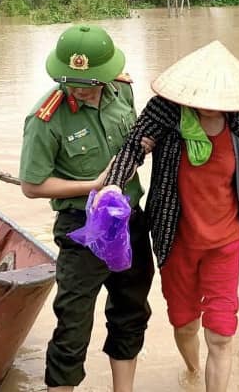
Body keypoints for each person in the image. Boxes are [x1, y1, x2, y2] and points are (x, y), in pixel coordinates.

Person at [98, 40, 239, 392]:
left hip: (225, 240)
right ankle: (192, 372)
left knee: (221, 334)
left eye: (218, 102)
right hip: (176, 238)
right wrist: (113, 187)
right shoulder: (165, 112)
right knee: (184, 323)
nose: (210, 107)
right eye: (203, 100)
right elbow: (132, 148)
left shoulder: (237, 120)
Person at [19, 24, 154, 392]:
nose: (80, 88)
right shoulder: (46, 118)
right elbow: (33, 185)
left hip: (129, 222)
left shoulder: (123, 90)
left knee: (131, 312)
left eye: (90, 81)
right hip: (82, 229)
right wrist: (92, 184)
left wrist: (145, 144)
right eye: (72, 80)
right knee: (73, 323)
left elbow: (138, 136)